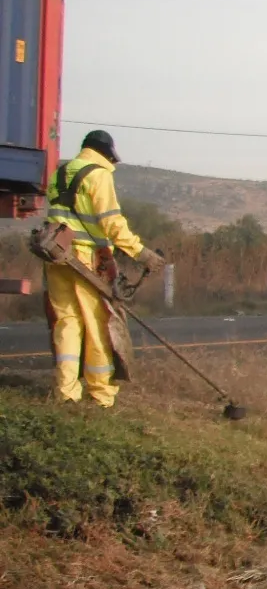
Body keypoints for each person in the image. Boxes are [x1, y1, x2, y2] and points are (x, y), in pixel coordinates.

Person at [43, 130, 160, 408]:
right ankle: (101, 394)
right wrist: (140, 253)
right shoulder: (99, 175)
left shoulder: (60, 173)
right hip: (84, 258)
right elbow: (111, 223)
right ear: (106, 153)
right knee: (98, 323)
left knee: (67, 322)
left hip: (56, 255)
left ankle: (67, 391)